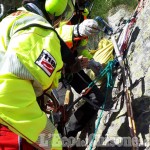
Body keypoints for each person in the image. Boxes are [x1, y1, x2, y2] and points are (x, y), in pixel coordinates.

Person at [0, 0, 85, 149]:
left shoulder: (12, 19)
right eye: (65, 12)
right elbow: (10, 94)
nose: (60, 22)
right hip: (8, 125)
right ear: (55, 6)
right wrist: (52, 141)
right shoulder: (40, 29)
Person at [55, 0, 105, 139]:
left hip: (73, 64)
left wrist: (91, 61)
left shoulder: (84, 14)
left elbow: (81, 47)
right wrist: (75, 30)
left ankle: (66, 135)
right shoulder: (58, 5)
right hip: (53, 67)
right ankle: (52, 140)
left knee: (97, 99)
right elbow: (50, 31)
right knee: (60, 109)